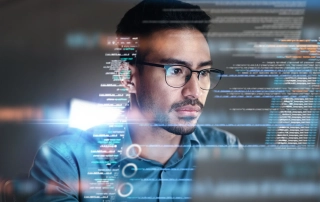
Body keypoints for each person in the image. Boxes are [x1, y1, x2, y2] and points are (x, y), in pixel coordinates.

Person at [28, 0, 241, 201]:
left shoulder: (226, 149)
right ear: (128, 78)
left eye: (203, 72)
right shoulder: (67, 160)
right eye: (176, 70)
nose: (194, 91)